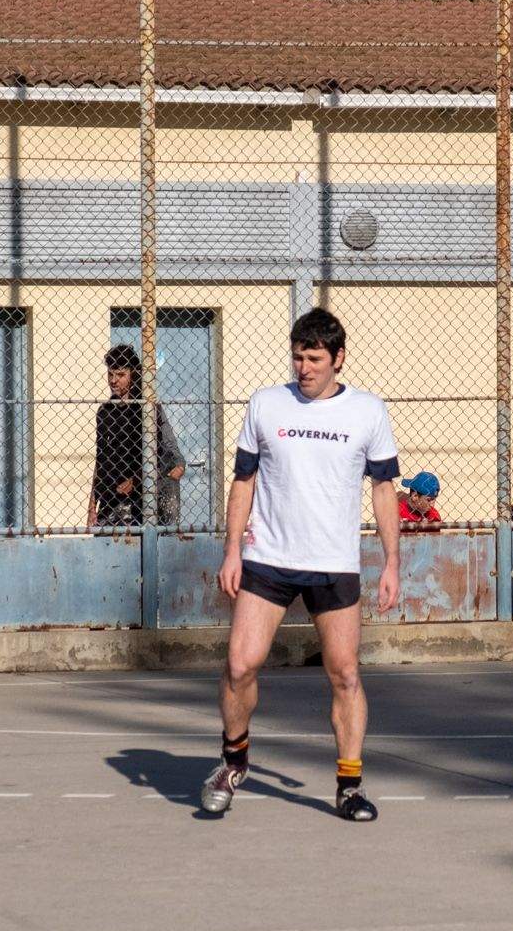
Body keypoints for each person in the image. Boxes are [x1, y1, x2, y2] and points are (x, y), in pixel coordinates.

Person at [201, 307, 401, 823]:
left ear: (338, 358)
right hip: (268, 558)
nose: (304, 367)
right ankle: (233, 760)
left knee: (344, 675)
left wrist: (392, 562)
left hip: (334, 564)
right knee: (240, 664)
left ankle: (349, 785)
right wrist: (231, 552)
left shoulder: (367, 412)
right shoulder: (267, 405)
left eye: (314, 358)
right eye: (297, 357)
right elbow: (242, 480)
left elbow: (383, 490)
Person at [87, 343, 185, 527]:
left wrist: (137, 480)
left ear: (133, 375)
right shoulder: (104, 412)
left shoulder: (146, 409)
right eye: (110, 374)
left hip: (140, 500)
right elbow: (100, 459)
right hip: (109, 501)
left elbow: (162, 450)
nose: (113, 380)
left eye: (121, 375)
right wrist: (92, 506)